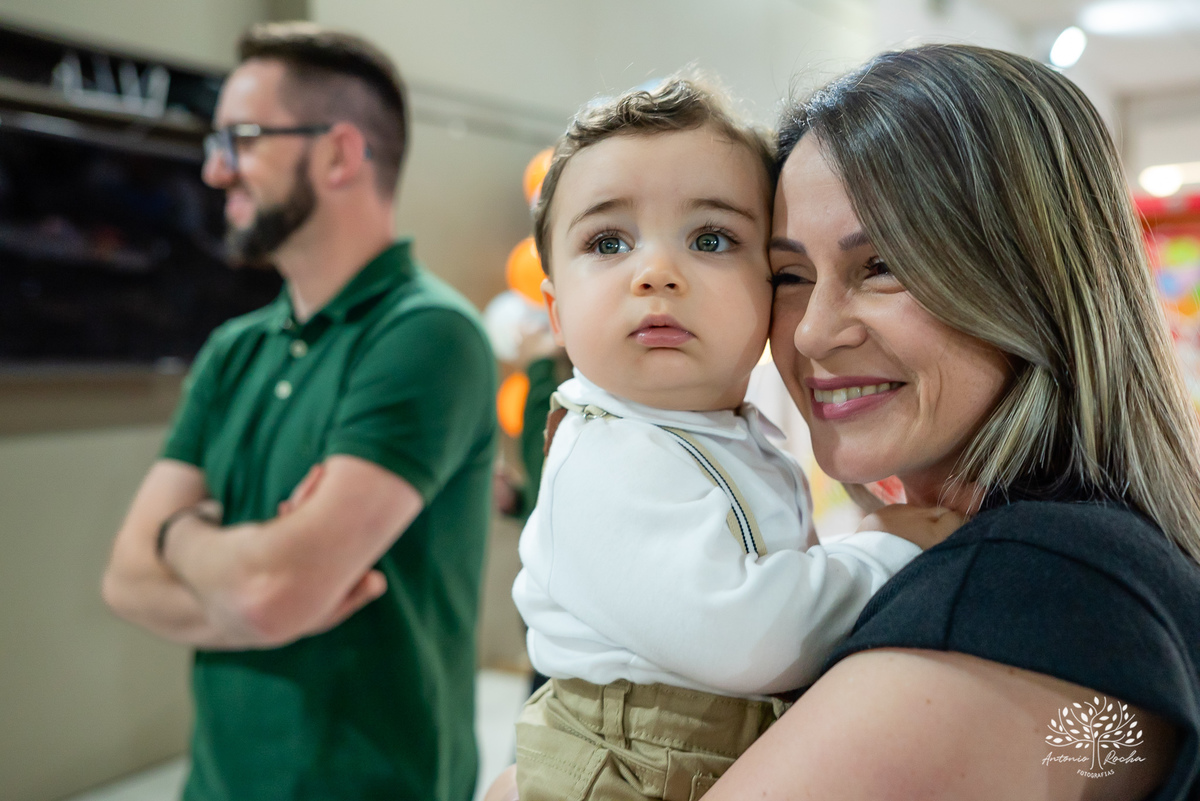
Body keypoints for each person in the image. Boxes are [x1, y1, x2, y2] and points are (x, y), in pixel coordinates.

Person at [698, 44, 1200, 800]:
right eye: (790, 275)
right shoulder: (1092, 559)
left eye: (881, 266)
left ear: (1028, 279)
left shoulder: (1023, 585)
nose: (812, 332)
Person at [509, 76, 957, 801]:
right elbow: (746, 637)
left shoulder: (721, 434)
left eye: (710, 239)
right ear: (557, 315)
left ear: (773, 284)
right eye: (608, 241)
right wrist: (882, 549)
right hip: (634, 761)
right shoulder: (608, 455)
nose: (656, 274)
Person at [101, 22, 496, 801]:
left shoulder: (430, 335)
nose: (215, 170)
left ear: (339, 154)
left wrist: (181, 536)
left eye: (241, 139)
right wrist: (263, 597)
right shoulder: (234, 349)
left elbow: (265, 591)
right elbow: (125, 579)